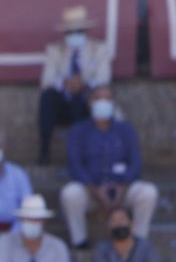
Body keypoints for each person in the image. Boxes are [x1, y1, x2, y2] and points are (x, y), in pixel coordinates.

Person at [60, 86, 158, 249]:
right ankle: (80, 241)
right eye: (98, 99)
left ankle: (139, 242)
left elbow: (135, 163)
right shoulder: (77, 131)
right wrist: (95, 190)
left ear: (113, 103)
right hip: (91, 190)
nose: (103, 103)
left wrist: (122, 187)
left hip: (123, 188)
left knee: (148, 192)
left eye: (107, 99)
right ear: (89, 103)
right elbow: (75, 165)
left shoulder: (126, 130)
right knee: (70, 193)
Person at [39, 5, 110, 165]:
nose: (74, 35)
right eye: (70, 32)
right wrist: (65, 83)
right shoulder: (55, 50)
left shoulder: (99, 49)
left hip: (88, 100)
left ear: (86, 31)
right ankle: (44, 149)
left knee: (81, 101)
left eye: (78, 31)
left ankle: (79, 154)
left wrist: (83, 84)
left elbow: (103, 79)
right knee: (47, 97)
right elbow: (47, 80)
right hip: (62, 100)